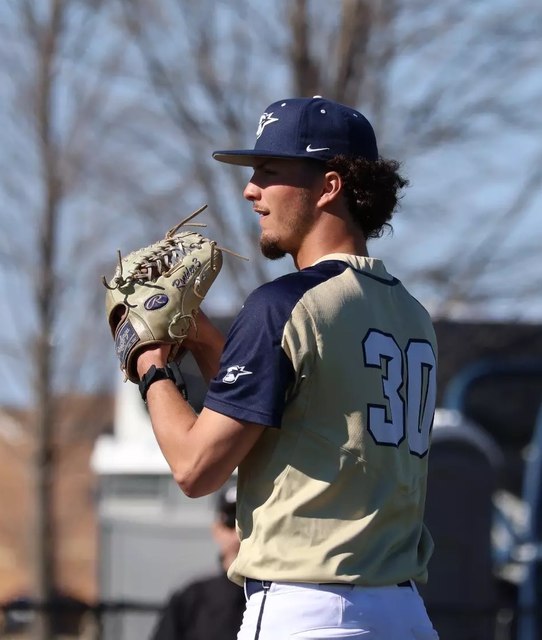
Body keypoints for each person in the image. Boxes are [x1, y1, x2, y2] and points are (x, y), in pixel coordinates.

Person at [131, 96, 441, 639]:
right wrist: (205, 339)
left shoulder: (284, 304)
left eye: (270, 172)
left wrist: (149, 366)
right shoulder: (411, 314)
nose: (251, 190)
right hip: (407, 615)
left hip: (311, 612)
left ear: (329, 186)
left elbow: (195, 468)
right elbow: (292, 408)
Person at [149, 486, 246, 640]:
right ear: (216, 530)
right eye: (231, 522)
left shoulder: (276, 595)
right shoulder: (191, 598)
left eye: (247, 524)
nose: (238, 533)